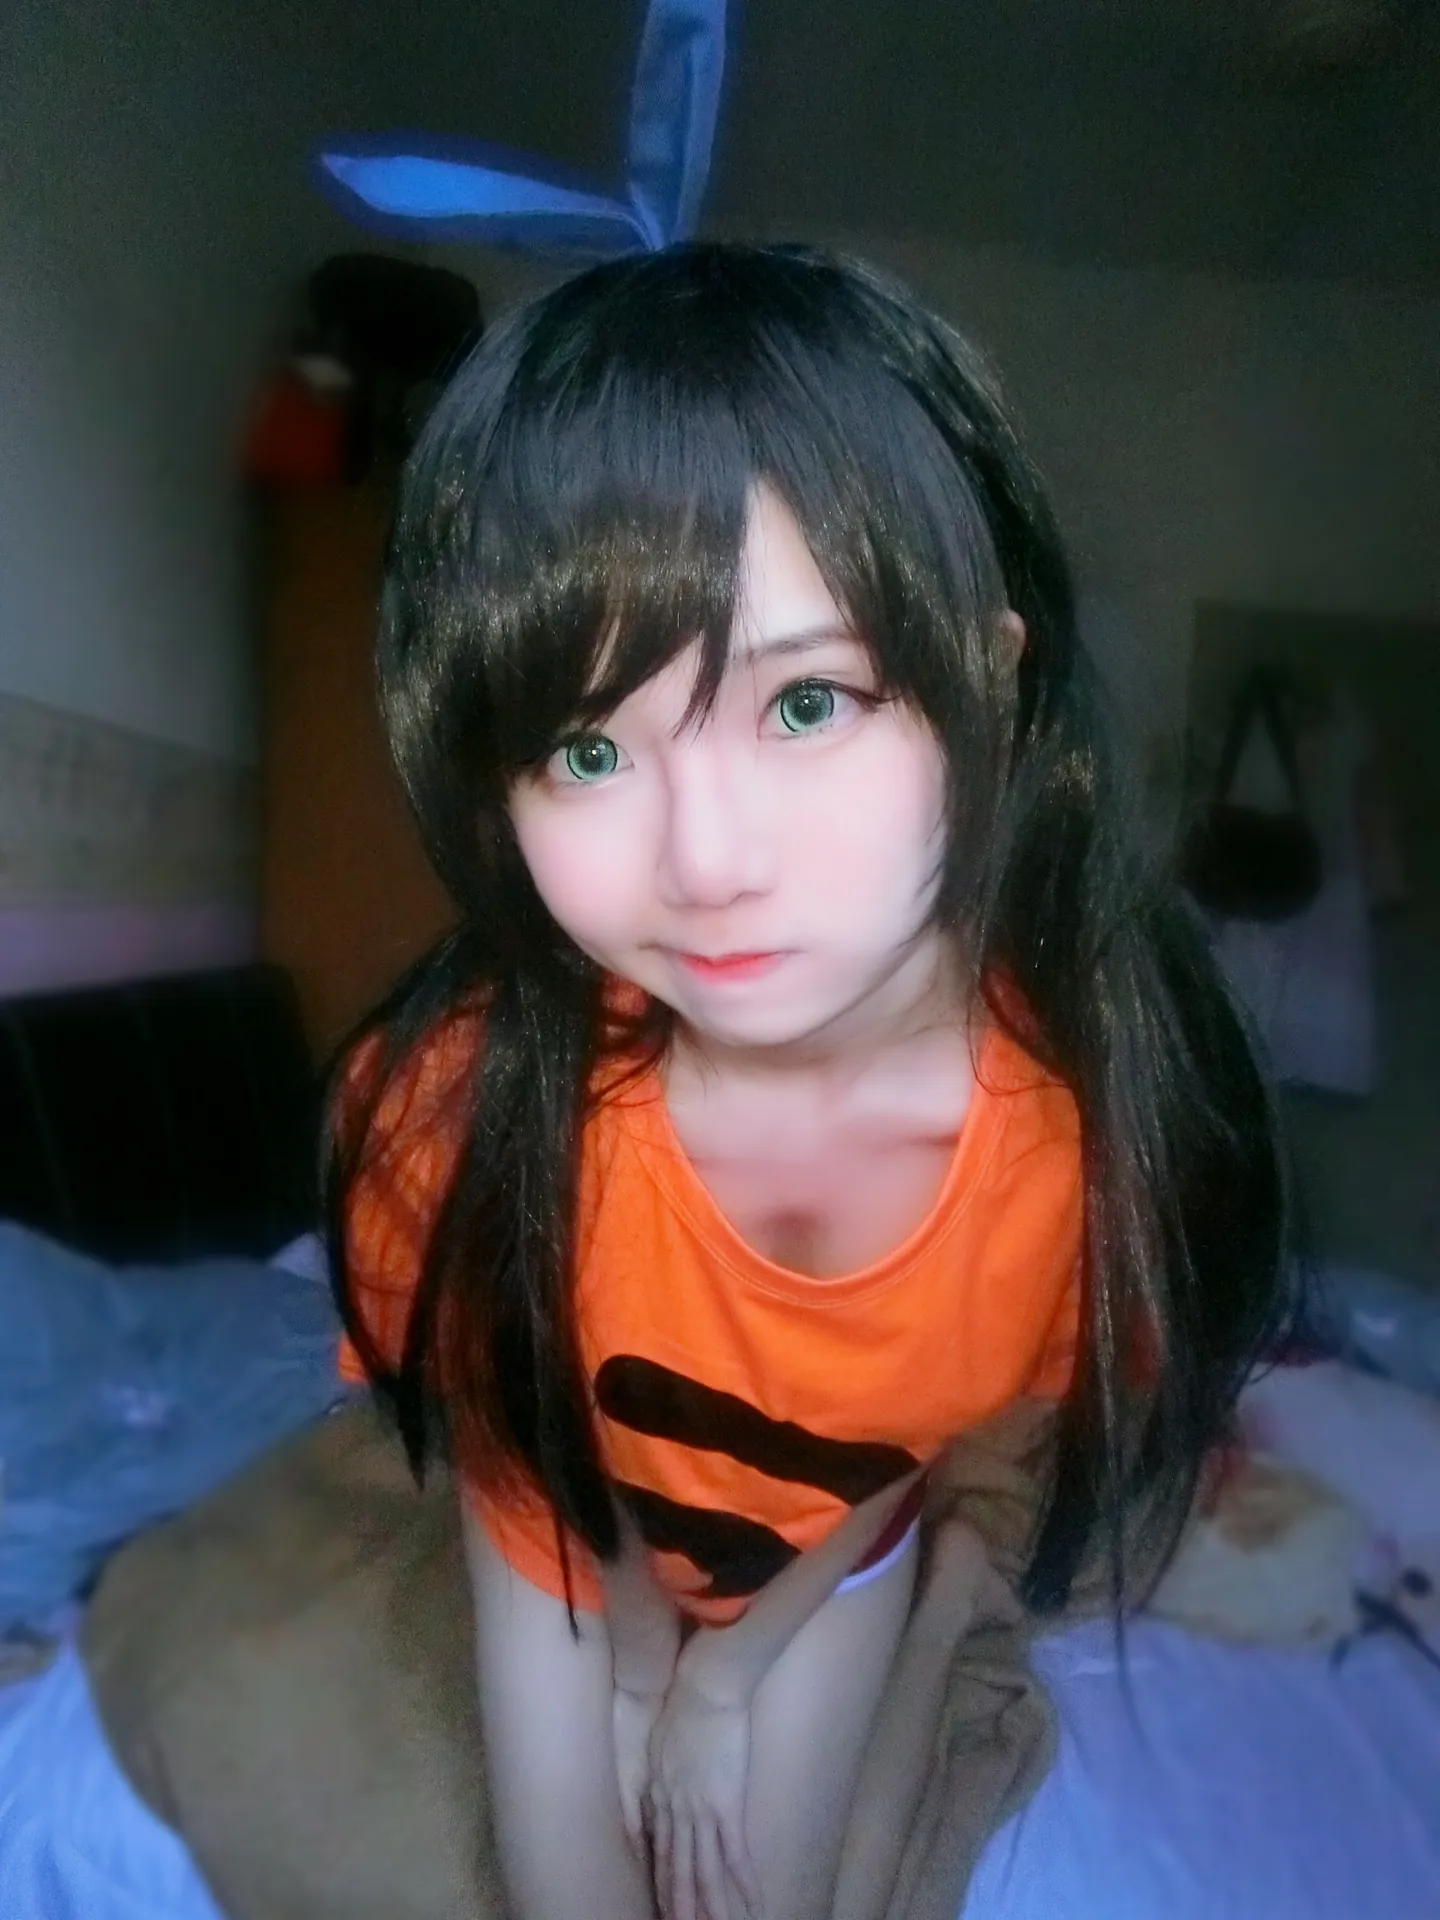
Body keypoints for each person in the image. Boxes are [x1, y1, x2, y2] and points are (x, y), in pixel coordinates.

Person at [328, 243, 1286, 1920]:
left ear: (989, 680)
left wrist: (728, 1681)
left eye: (808, 702)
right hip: (563, 1523)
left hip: (840, 1549)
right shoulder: (447, 1115)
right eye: (589, 748)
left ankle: (926, 1598)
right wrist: (640, 1659)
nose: (706, 862)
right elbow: (518, 1443)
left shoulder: (1087, 1175)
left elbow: (892, 1443)